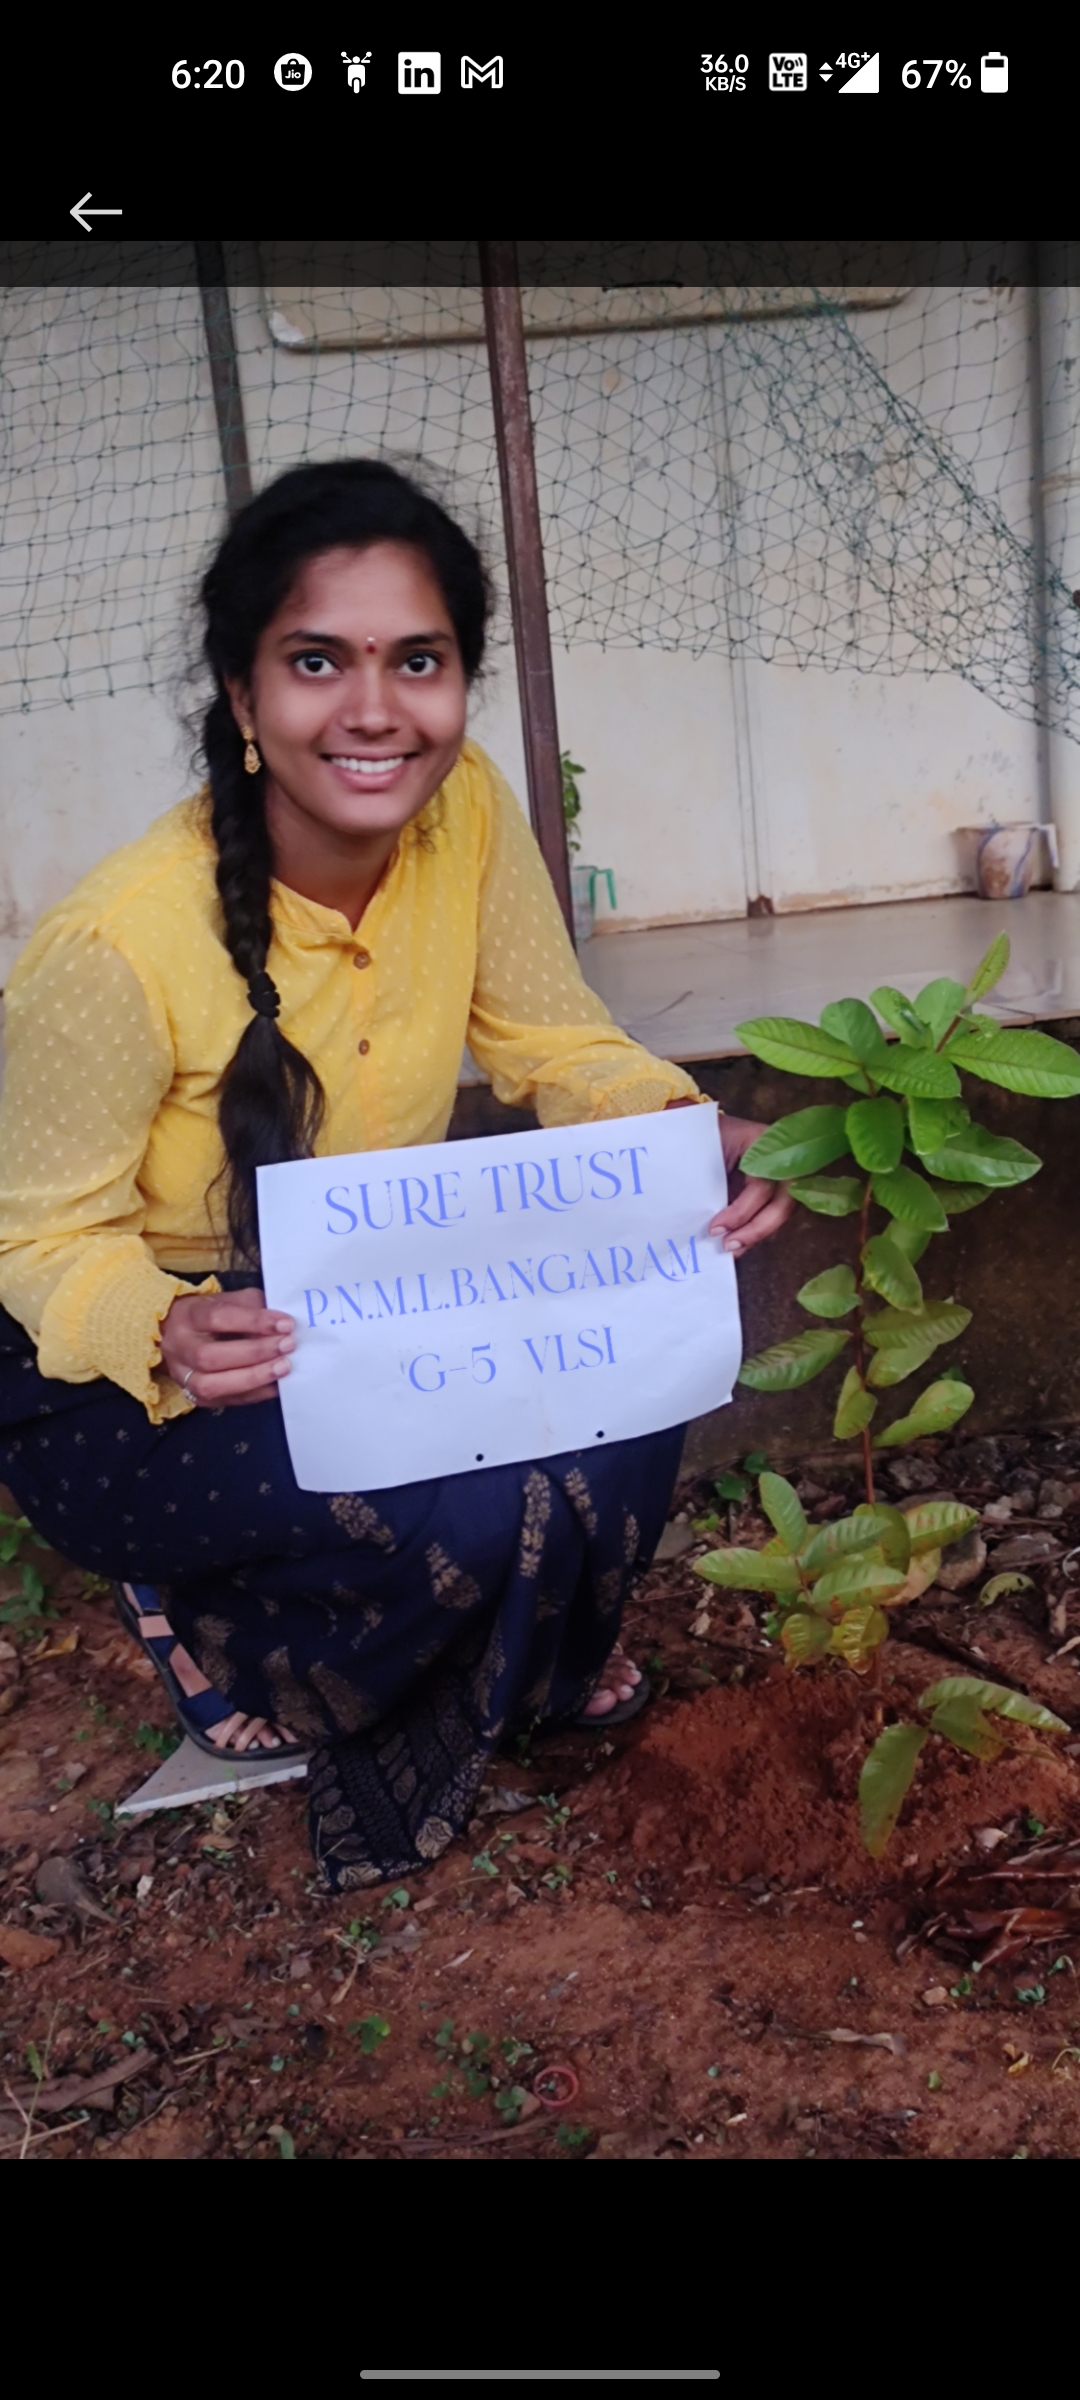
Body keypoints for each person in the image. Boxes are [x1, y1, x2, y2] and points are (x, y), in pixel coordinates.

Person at [0, 460, 791, 1890]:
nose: (374, 710)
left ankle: (529, 1660)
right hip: (148, 1372)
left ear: (460, 683)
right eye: (318, 661)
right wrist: (160, 1325)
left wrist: (684, 1134)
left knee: (631, 1386)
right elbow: (34, 1239)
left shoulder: (466, 807)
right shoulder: (118, 944)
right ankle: (210, 1616)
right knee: (463, 1505)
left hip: (376, 1286)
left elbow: (551, 1037)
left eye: (416, 661)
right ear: (243, 697)